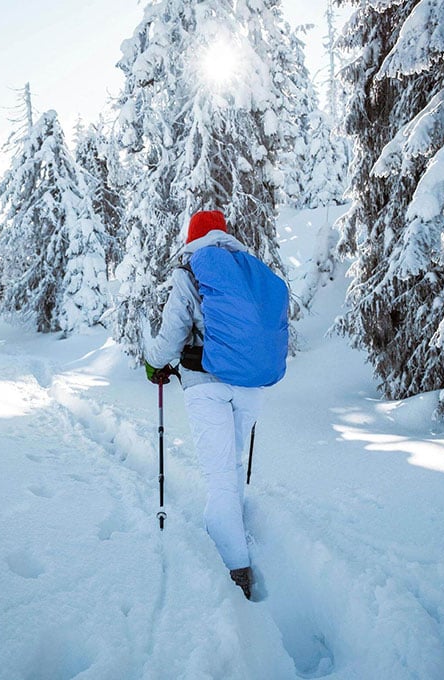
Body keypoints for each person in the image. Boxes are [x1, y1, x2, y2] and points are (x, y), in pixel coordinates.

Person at [144, 210, 264, 599]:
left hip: (204, 384)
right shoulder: (247, 269)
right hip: (247, 384)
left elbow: (173, 332)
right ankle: (237, 540)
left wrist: (155, 362)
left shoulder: (189, 272)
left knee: (218, 478)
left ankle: (235, 572)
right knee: (233, 467)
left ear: (192, 236)